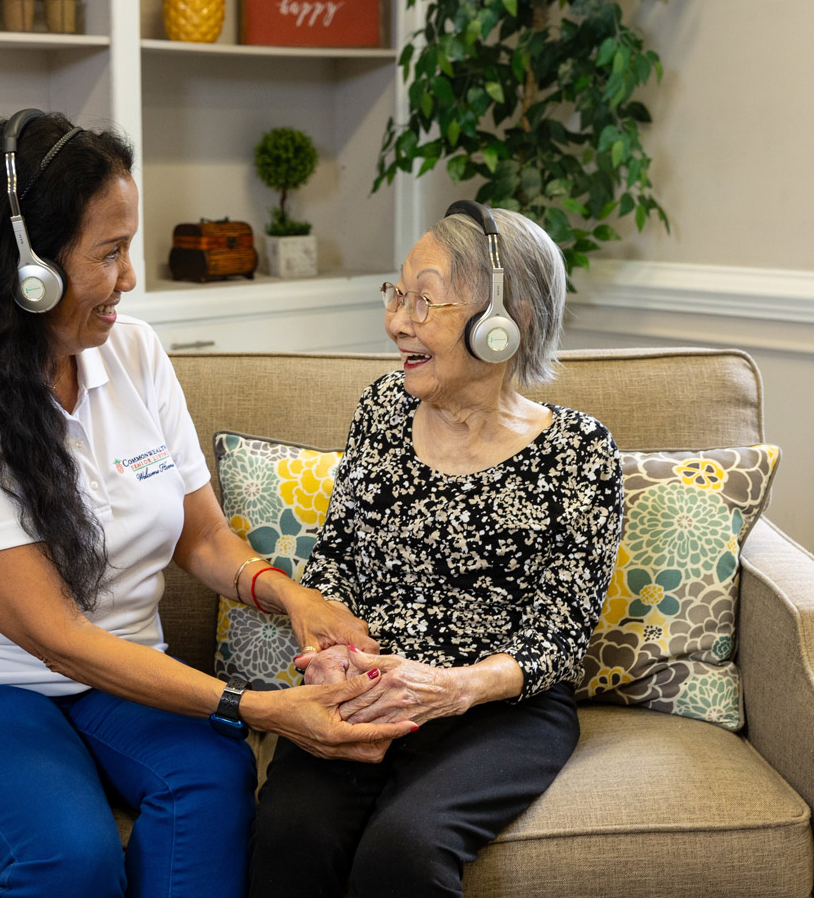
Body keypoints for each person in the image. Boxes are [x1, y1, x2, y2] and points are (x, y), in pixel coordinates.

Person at [0, 109, 415, 898]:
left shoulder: (133, 351)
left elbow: (203, 535)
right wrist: (264, 709)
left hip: (114, 680)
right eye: (109, 254)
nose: (130, 278)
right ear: (27, 270)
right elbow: (59, 640)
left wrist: (291, 596)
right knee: (70, 858)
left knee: (212, 779)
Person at [248, 202, 625, 898]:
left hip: (496, 710)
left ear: (507, 322)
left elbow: (561, 634)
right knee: (289, 834)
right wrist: (331, 651)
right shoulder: (383, 408)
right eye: (397, 295)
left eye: (425, 301)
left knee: (406, 849)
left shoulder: (580, 451)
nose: (397, 321)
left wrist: (454, 687)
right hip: (366, 687)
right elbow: (339, 557)